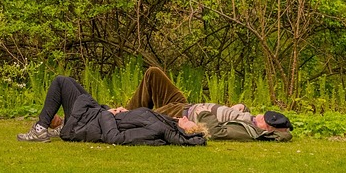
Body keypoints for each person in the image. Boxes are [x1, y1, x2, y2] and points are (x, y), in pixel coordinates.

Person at [111, 66, 294, 142]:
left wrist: (205, 112)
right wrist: (241, 108)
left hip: (182, 114)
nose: (260, 117)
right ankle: (126, 112)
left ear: (269, 129)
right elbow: (240, 117)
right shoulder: (252, 121)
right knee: (153, 73)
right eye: (264, 114)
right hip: (185, 104)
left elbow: (217, 132)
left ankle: (120, 116)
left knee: (142, 114)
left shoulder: (249, 131)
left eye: (265, 120)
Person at [16, 75, 208, 146]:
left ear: (186, 130)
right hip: (95, 117)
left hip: (87, 125)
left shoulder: (156, 130)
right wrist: (121, 111)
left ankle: (40, 129)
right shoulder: (165, 123)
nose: (184, 118)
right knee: (71, 82)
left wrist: (108, 115)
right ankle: (61, 124)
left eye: (188, 122)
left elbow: (115, 137)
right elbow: (131, 120)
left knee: (60, 82)